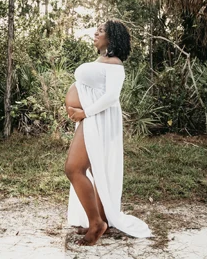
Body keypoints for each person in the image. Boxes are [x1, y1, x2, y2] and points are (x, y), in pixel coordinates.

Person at [63, 19, 152, 246]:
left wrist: (84, 113)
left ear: (111, 37)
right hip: (92, 119)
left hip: (98, 119)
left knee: (74, 168)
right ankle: (101, 219)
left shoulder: (115, 64)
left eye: (101, 31)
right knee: (96, 171)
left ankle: (97, 224)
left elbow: (112, 96)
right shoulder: (103, 60)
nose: (95, 32)